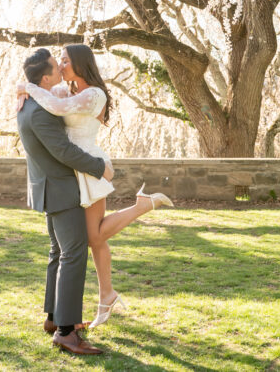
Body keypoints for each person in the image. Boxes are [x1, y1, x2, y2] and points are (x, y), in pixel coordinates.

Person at [16, 43, 173, 329]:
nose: (61, 65)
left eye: (65, 60)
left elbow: (56, 106)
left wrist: (28, 87)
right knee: (94, 237)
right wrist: (26, 88)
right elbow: (50, 94)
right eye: (59, 61)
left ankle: (141, 207)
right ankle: (106, 295)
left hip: (88, 165)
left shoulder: (93, 95)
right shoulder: (70, 89)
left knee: (93, 235)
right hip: (73, 168)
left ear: (79, 63)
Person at [16, 48, 112, 356]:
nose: (61, 70)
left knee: (58, 252)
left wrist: (24, 86)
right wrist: (101, 168)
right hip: (60, 188)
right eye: (56, 68)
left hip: (49, 187)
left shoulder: (32, 103)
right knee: (73, 254)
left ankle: (54, 318)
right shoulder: (42, 110)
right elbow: (64, 152)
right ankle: (67, 332)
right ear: (45, 77)